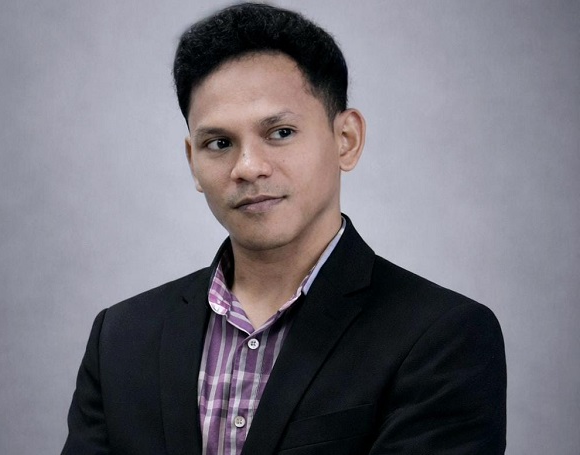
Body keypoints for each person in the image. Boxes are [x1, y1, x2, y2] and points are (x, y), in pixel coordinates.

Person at [61, 3, 506, 454]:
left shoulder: (443, 337)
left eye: (280, 133)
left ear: (346, 140)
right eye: (219, 143)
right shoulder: (121, 337)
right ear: (193, 162)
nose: (248, 167)